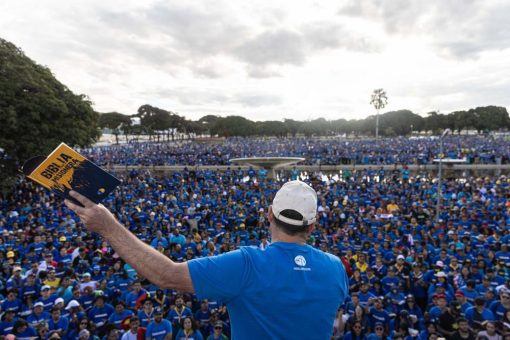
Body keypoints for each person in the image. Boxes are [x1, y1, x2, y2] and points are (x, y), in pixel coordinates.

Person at [64, 180, 350, 339]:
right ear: (312, 226)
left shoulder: (247, 264)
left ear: (269, 214)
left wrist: (107, 226)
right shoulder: (336, 269)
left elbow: (165, 274)